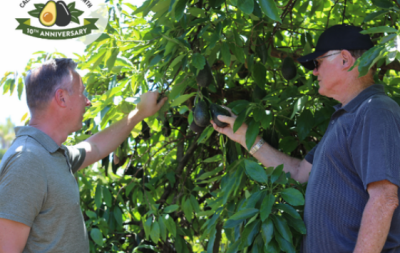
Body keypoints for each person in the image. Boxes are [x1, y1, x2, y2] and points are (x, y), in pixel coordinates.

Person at [212, 25, 400, 253]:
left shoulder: (375, 110)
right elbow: (300, 173)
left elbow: (384, 198)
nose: (313, 72)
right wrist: (244, 137)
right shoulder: (344, 118)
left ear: (344, 59)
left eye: (318, 63)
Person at [0, 58, 167, 253]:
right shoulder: (27, 161)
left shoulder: (53, 154)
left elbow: (95, 147)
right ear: (62, 98)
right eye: (82, 93)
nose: (88, 101)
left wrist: (139, 113)